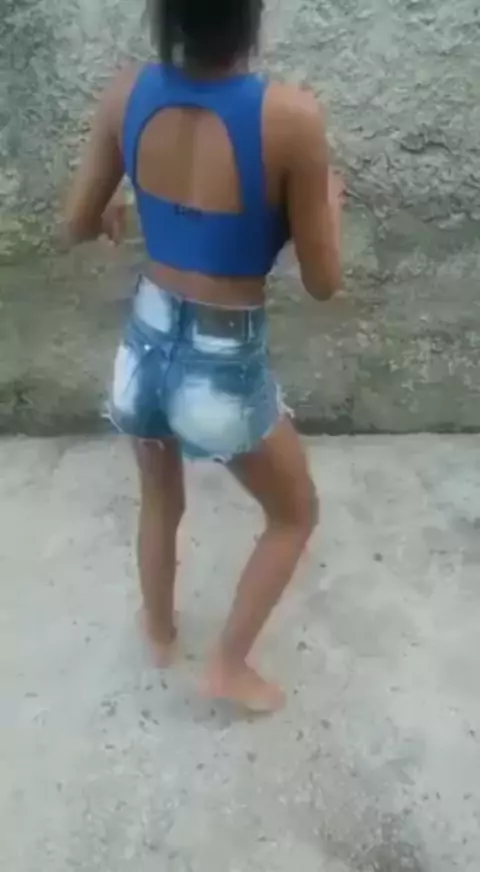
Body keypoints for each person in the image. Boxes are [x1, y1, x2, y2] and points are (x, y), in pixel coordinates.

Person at [64, 0, 343, 713]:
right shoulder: (291, 118)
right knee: (294, 514)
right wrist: (328, 204)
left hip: (144, 341)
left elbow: (74, 224)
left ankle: (159, 630)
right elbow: (323, 283)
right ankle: (227, 665)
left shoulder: (126, 92)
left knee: (160, 495)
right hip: (221, 359)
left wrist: (123, 207)